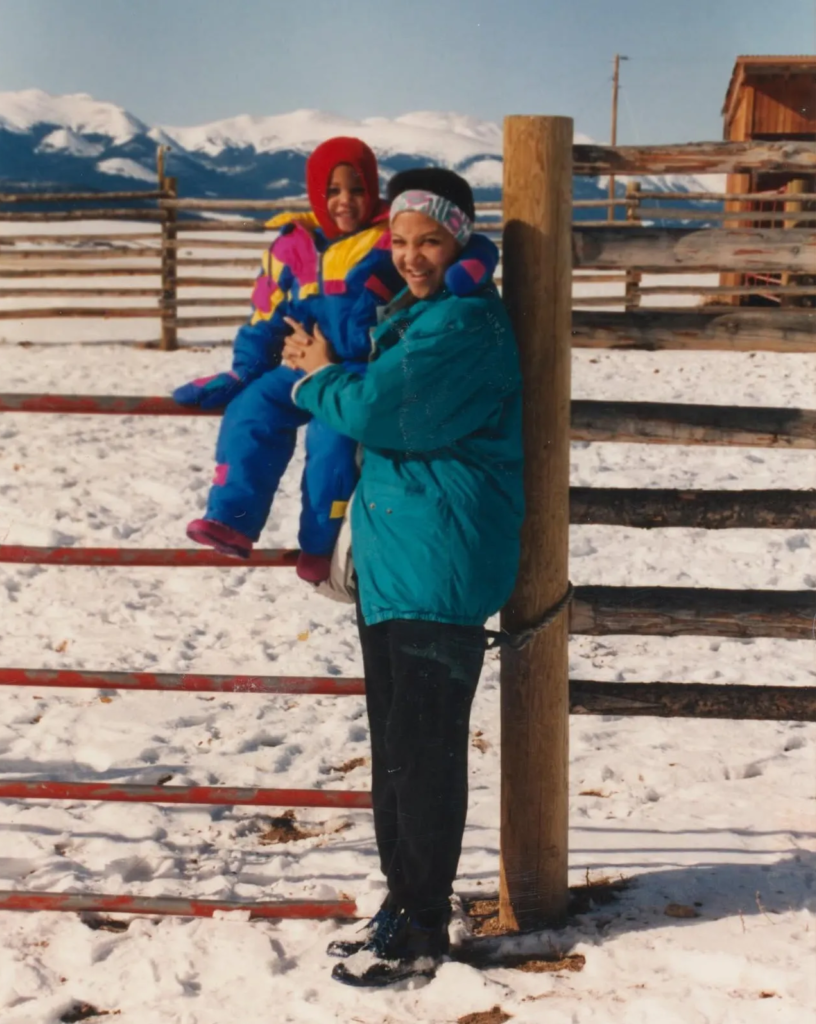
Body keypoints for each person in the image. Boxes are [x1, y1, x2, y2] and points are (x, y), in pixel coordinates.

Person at [283, 167, 524, 986]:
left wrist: (318, 375)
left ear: (460, 240)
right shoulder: (422, 313)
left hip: (439, 564)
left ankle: (423, 926)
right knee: (395, 751)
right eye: (401, 241)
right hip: (403, 563)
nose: (413, 256)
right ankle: (402, 905)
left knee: (421, 755)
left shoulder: (464, 324)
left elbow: (387, 409)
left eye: (430, 241)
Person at [173, 139, 500, 583]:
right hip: (298, 363)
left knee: (333, 443)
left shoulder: (389, 233)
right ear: (313, 193)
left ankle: (319, 546)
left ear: (373, 189)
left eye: (357, 189)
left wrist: (470, 271)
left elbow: (463, 239)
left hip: (359, 369)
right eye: (331, 190)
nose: (344, 201)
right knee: (249, 412)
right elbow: (265, 313)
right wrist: (243, 370)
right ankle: (232, 518)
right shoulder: (292, 245)